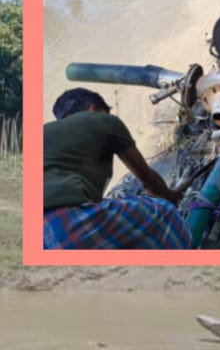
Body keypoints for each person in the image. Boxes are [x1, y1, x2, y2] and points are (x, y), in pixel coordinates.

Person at [43, 88, 187, 250]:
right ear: (93, 109)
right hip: (66, 224)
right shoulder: (102, 120)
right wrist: (173, 197)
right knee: (165, 212)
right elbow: (150, 181)